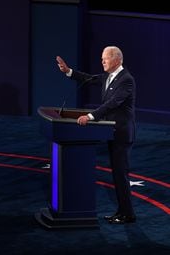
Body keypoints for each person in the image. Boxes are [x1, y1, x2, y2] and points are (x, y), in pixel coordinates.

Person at [56, 46, 136, 225]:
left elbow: (112, 104)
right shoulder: (108, 76)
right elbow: (88, 78)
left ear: (117, 60)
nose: (102, 62)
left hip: (122, 134)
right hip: (111, 132)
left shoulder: (126, 80)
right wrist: (69, 71)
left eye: (105, 59)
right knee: (117, 175)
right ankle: (122, 211)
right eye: (102, 59)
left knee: (120, 175)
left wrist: (91, 116)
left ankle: (128, 214)